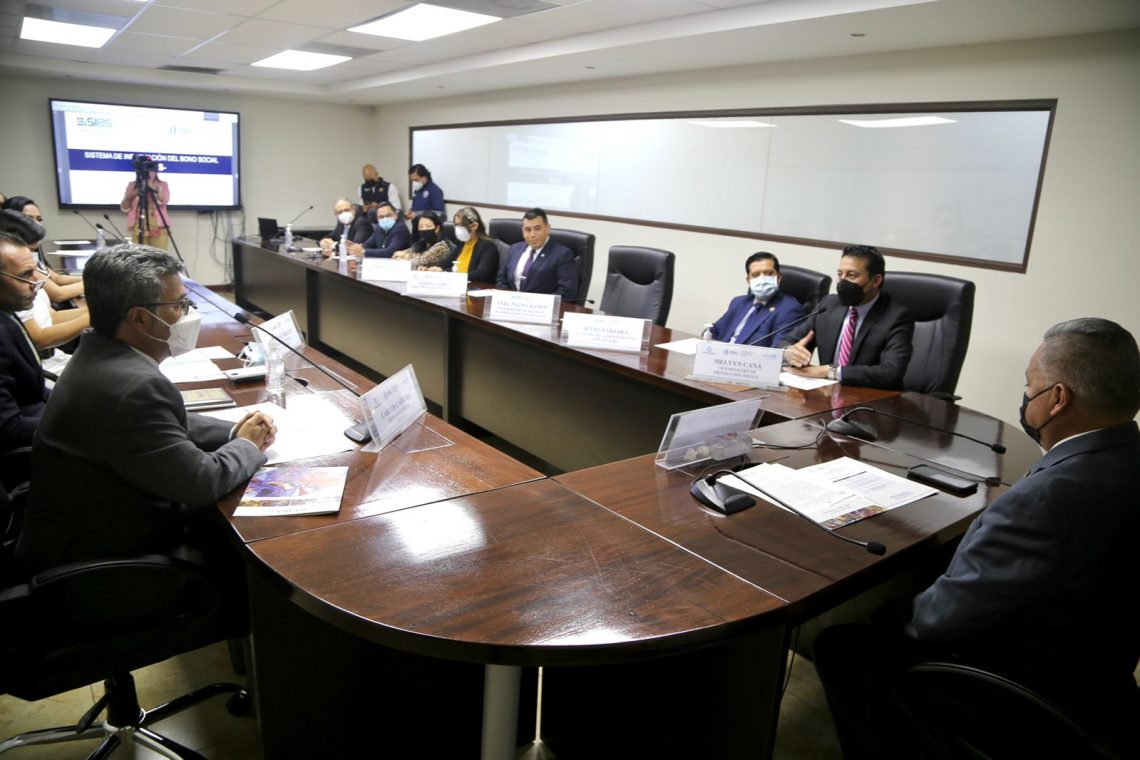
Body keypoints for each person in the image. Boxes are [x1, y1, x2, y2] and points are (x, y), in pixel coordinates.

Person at [813, 317, 1140, 759]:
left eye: (1030, 386)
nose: (1026, 396)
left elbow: (934, 623)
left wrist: (887, 613)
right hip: (1098, 675)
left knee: (840, 647)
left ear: (1058, 399)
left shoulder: (1044, 501)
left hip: (1016, 702)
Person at [16, 244, 276, 579]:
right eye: (179, 305)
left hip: (84, 530)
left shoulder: (100, 351)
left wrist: (232, 431)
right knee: (249, 554)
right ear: (140, 318)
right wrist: (248, 445)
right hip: (103, 567)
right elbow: (200, 483)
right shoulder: (134, 386)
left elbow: (158, 424)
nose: (188, 314)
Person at [779, 245, 913, 389]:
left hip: (868, 396)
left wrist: (830, 371)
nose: (842, 282)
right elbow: (787, 341)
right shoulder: (829, 305)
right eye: (840, 274)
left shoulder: (896, 317)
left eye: (851, 275)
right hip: (826, 393)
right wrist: (789, 352)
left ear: (876, 281)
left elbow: (891, 372)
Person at [0, 211, 88, 371]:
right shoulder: (15, 299)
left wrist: (94, 311)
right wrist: (94, 316)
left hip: (54, 359)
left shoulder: (28, 270)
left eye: (39, 219)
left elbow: (51, 316)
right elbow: (38, 339)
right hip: (47, 367)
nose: (37, 280)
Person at [0, 231, 49, 475]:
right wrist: (75, 419)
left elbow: (31, 388)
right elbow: (7, 429)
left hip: (36, 414)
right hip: (25, 454)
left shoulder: (8, 311)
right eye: (25, 275)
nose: (37, 281)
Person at [709, 252, 803, 347]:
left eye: (769, 273)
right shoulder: (738, 302)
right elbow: (715, 330)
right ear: (749, 281)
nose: (762, 279)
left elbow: (778, 350)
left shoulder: (789, 309)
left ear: (778, 278)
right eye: (755, 275)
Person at [1, 199, 84, 304]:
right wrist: (94, 283)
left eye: (39, 219)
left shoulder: (33, 254)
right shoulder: (20, 263)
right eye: (29, 219)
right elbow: (59, 294)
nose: (36, 224)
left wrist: (86, 279)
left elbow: (57, 278)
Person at [495, 208, 577, 301]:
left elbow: (566, 292)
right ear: (523, 232)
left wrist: (534, 303)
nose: (532, 235)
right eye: (528, 230)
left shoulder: (563, 255)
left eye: (537, 229)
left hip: (541, 307)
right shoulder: (514, 249)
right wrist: (507, 298)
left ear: (548, 228)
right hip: (511, 304)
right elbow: (501, 278)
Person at [423, 207, 499, 282]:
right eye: (456, 225)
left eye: (461, 225)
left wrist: (451, 276)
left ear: (474, 226)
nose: (457, 229)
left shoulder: (488, 246)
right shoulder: (463, 243)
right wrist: (431, 269)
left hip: (477, 286)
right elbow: (448, 262)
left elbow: (481, 274)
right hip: (458, 284)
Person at [119, 167, 171, 249]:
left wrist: (153, 187)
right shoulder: (132, 185)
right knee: (140, 254)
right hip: (139, 225)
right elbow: (125, 208)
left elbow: (164, 200)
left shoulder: (162, 184)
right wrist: (131, 195)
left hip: (158, 227)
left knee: (159, 254)